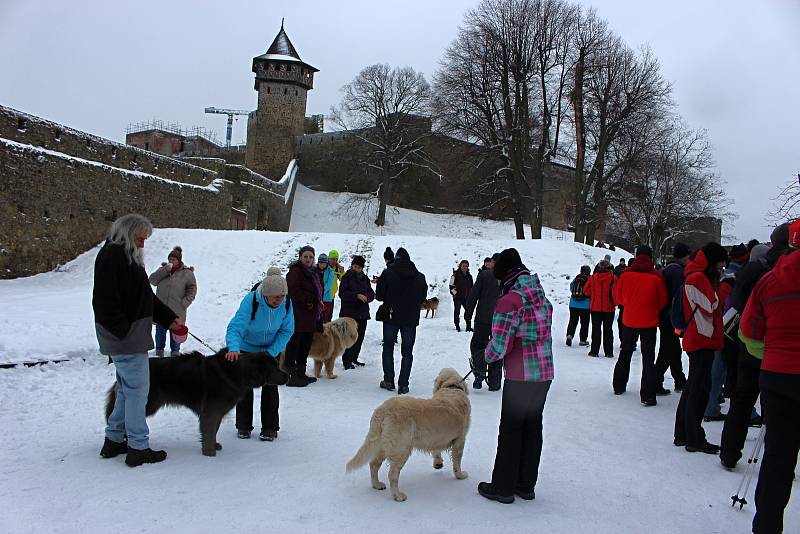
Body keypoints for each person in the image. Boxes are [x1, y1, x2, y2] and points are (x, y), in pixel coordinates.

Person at [94, 214, 182, 467]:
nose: (143, 244)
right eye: (140, 239)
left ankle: (113, 440)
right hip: (125, 337)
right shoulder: (113, 255)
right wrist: (122, 332)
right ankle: (138, 447)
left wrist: (170, 319)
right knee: (137, 392)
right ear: (127, 233)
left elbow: (145, 296)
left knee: (126, 390)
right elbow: (105, 301)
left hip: (129, 336)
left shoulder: (127, 256)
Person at [477, 248, 553, 504]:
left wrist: (484, 356)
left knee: (510, 430)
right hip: (544, 372)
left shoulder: (510, 300)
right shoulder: (538, 292)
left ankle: (503, 488)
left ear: (504, 275)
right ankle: (525, 484)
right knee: (532, 427)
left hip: (521, 375)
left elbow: (499, 345)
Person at [740, 219, 800, 534]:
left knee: (777, 455)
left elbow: (748, 330)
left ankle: (766, 526)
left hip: (777, 376)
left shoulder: (770, 280)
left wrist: (770, 353)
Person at [720, 225, 790, 469]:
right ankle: (780, 464)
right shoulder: (782, 271)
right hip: (781, 348)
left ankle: (729, 453)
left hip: (750, 341)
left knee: (742, 399)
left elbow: (739, 305)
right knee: (781, 408)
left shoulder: (755, 268)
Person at [226, 267, 294, 441]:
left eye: (282, 295)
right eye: (276, 296)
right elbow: (236, 327)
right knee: (245, 387)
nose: (279, 299)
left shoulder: (286, 303)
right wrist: (233, 348)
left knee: (271, 387)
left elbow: (287, 330)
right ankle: (243, 426)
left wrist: (270, 353)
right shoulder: (251, 301)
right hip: (247, 348)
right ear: (266, 294)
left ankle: (270, 428)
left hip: (271, 350)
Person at [673, 242, 728, 455]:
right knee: (698, 390)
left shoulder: (696, 276)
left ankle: (683, 433)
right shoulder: (697, 278)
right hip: (701, 338)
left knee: (693, 388)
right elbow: (712, 304)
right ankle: (693, 437)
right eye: (720, 265)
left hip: (700, 337)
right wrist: (723, 287)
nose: (722, 268)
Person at [612, 245, 668, 406]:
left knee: (625, 352)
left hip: (629, 319)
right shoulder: (656, 276)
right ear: (651, 257)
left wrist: (630, 305)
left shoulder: (625, 274)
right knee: (648, 358)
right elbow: (662, 300)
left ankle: (619, 385)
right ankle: (648, 395)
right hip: (649, 321)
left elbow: (619, 298)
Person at [376, 247, 427, 394]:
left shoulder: (388, 273)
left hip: (391, 317)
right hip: (410, 318)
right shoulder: (420, 277)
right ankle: (403, 384)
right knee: (407, 352)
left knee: (388, 348)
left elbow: (379, 295)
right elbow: (422, 298)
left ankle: (388, 381)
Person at [654, 243, 690, 394]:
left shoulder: (669, 269)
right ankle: (655, 382)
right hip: (670, 317)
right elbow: (677, 298)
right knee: (668, 349)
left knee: (673, 348)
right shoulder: (677, 272)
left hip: (665, 315)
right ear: (684, 256)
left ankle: (680, 380)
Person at [148, 246, 197, 357]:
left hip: (177, 309)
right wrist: (165, 270)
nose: (171, 261)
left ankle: (175, 352)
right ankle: (159, 351)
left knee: (176, 331)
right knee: (160, 331)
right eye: (169, 259)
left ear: (179, 261)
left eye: (173, 260)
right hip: (161, 310)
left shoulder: (187, 273)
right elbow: (152, 280)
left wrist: (184, 303)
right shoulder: (163, 270)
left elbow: (192, 289)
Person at [285, 246, 323, 387]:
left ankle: (301, 373)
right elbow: (293, 291)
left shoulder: (312, 272)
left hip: (310, 315)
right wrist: (310, 299)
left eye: (311, 257)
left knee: (305, 346)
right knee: (295, 344)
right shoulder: (296, 272)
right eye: (305, 256)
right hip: (298, 314)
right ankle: (290, 375)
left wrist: (316, 302)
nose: (308, 259)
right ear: (300, 257)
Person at [465, 252, 502, 390]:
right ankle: (494, 380)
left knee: (477, 345)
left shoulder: (484, 275)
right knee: (497, 347)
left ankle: (479, 374)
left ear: (492, 262)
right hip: (500, 321)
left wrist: (468, 314)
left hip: (483, 319)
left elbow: (473, 295)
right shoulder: (506, 278)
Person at [338, 255, 375, 369]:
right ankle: (346, 360)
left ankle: (354, 358)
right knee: (349, 337)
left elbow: (371, 294)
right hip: (349, 313)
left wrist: (366, 297)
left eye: (359, 267)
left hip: (362, 313)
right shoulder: (346, 277)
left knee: (359, 337)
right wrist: (356, 296)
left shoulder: (365, 279)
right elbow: (342, 294)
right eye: (355, 266)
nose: (356, 269)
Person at [583, 260, 616, 357]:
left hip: (595, 308)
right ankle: (609, 352)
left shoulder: (593, 278)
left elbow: (586, 291)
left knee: (596, 330)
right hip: (609, 308)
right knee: (608, 330)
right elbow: (616, 292)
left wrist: (593, 295)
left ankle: (594, 351)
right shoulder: (613, 278)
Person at [565, 265, 591, 347]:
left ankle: (569, 335)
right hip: (585, 305)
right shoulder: (589, 279)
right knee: (584, 323)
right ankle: (583, 340)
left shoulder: (576, 279)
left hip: (573, 304)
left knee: (572, 321)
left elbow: (571, 288)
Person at [450, 260, 474, 332]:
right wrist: (456, 294)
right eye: (463, 266)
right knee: (457, 311)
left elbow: (471, 287)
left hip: (466, 297)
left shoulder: (469, 276)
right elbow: (451, 287)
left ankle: (468, 327)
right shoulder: (454, 275)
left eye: (466, 266)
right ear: (460, 266)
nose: (465, 267)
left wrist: (471, 295)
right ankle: (457, 326)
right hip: (457, 298)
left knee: (468, 311)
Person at [316, 253, 335, 323]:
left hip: (326, 298)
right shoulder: (314, 269)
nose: (322, 265)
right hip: (315, 298)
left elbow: (329, 285)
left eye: (324, 263)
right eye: (320, 262)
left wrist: (320, 292)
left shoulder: (330, 271)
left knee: (325, 318)